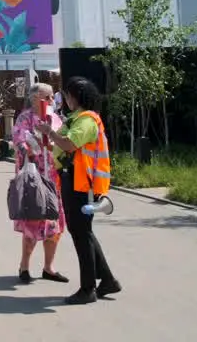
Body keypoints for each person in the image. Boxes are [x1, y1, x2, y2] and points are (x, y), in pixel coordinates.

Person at [37, 76, 121, 305]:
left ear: (75, 97)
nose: (65, 99)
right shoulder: (77, 119)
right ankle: (107, 280)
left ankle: (88, 289)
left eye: (67, 95)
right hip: (75, 180)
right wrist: (51, 138)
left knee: (81, 235)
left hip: (81, 183)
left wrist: (50, 133)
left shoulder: (86, 121)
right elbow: (65, 146)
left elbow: (69, 144)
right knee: (83, 233)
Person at [12, 83, 69, 285]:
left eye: (53, 97)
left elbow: (63, 140)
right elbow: (20, 142)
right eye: (48, 97)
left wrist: (55, 142)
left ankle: (49, 267)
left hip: (54, 177)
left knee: (54, 222)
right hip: (35, 177)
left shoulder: (54, 118)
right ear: (36, 98)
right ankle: (24, 266)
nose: (52, 101)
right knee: (33, 221)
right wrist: (33, 143)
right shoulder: (25, 118)